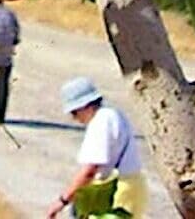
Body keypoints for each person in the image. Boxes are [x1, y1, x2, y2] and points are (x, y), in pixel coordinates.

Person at [48, 77, 147, 218]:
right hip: (131, 190)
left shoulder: (101, 123)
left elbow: (90, 170)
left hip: (117, 195)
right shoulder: (112, 114)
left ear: (85, 106)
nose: (74, 118)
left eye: (74, 112)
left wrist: (62, 201)